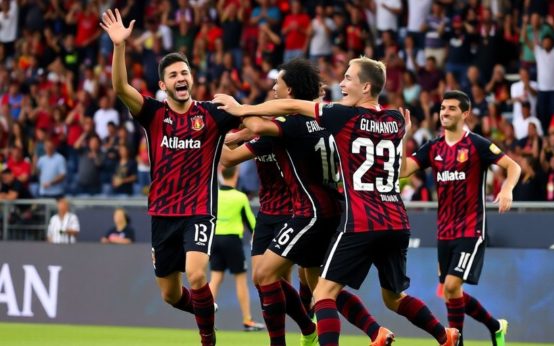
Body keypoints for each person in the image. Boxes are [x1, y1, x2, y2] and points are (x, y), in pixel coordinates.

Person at [213, 56, 460, 346]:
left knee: (323, 293)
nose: (341, 83)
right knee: (394, 298)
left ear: (366, 87)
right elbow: (396, 158)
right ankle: (445, 336)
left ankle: (310, 333)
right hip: (396, 220)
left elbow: (292, 107)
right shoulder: (394, 119)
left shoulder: (343, 116)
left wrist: (242, 109)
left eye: (348, 78)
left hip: (360, 219)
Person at [101, 9, 240, 345]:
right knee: (169, 294)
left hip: (198, 209)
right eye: (174, 75)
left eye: (185, 72)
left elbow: (252, 124)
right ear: (163, 85)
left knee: (195, 273)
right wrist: (120, 47)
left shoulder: (211, 114)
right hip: (163, 213)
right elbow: (120, 85)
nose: (181, 78)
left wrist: (242, 111)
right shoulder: (153, 113)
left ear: (192, 79)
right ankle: (206, 308)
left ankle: (208, 337)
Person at [400, 90, 520, 346]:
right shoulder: (433, 147)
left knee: (452, 286)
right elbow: (403, 171)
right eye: (443, 108)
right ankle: (496, 326)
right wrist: (403, 137)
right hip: (444, 231)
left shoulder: (477, 144)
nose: (445, 112)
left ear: (465, 114)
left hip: (471, 229)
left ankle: (456, 342)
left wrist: (507, 188)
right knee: (451, 292)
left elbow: (514, 166)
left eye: (452, 108)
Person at [208, 166, 264, 332]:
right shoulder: (240, 197)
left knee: (215, 279)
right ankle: (247, 320)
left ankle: (205, 319)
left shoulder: (214, 194)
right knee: (240, 280)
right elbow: (252, 224)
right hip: (232, 240)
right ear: (236, 174)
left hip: (214, 240)